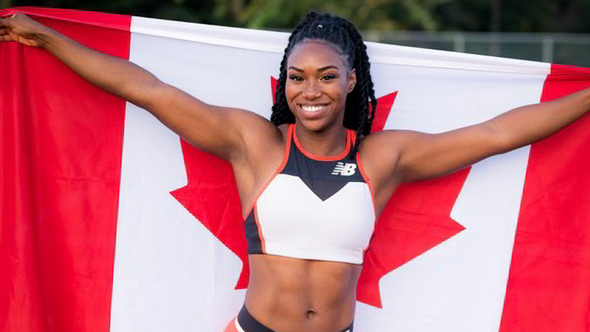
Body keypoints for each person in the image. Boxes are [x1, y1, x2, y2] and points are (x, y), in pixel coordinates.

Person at [1, 11, 589, 332]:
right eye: (299, 77)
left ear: (352, 81)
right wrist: (48, 38)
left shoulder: (384, 158)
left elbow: (497, 134)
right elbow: (145, 89)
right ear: (284, 83)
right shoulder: (251, 143)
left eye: (328, 76)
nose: (312, 91)